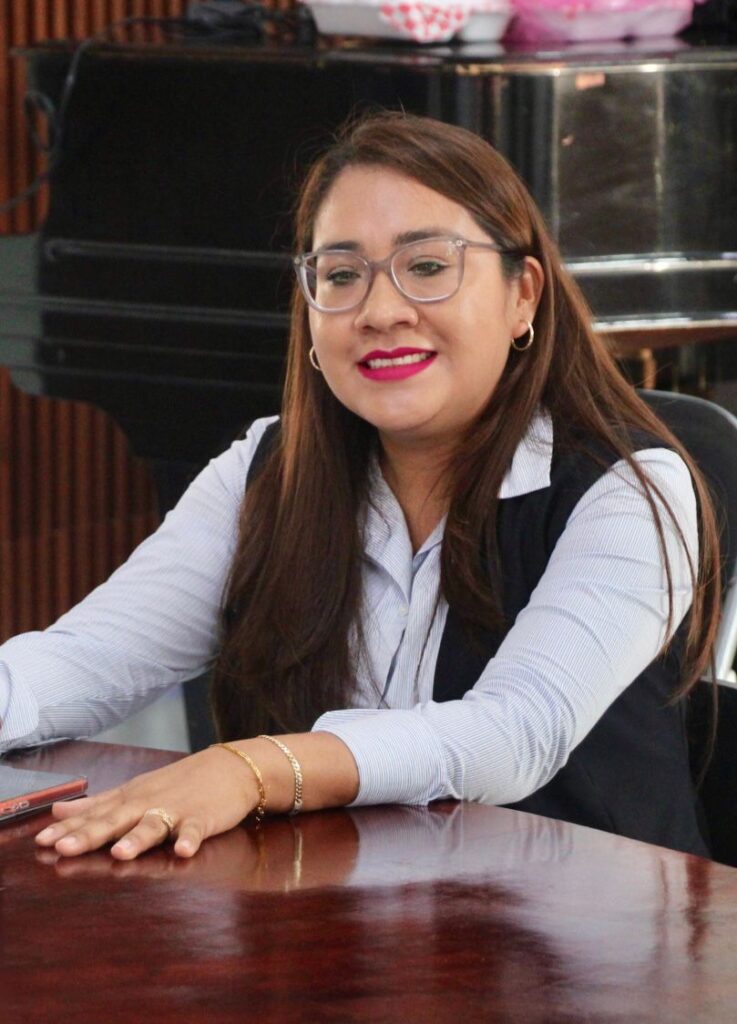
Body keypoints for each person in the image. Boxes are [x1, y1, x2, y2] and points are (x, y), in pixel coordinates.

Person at [0, 111, 720, 861]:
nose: (380, 312)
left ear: (523, 296)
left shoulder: (630, 489)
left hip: (583, 923)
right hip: (328, 914)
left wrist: (253, 770)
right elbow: (86, 661)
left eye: (428, 266)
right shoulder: (266, 471)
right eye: (341, 276)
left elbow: (514, 735)